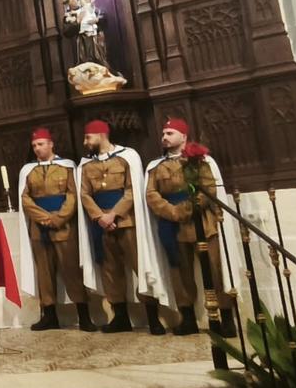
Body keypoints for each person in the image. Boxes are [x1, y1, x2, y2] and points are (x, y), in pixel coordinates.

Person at [143, 118, 238, 337]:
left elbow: (207, 188)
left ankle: (225, 317)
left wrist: (184, 211)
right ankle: (187, 318)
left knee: (214, 269)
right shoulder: (156, 166)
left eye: (170, 133)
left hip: (201, 223)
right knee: (179, 272)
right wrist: (172, 212)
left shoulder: (200, 160)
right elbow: (151, 193)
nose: (164, 137)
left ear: (183, 136)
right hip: (172, 227)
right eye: (163, 133)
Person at [76, 120, 170, 335]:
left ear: (101, 134)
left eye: (88, 137)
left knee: (140, 264)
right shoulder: (86, 166)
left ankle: (153, 317)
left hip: (127, 221)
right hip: (101, 225)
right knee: (110, 271)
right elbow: (85, 194)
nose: (85, 142)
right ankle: (120, 317)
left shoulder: (128, 156)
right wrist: (100, 217)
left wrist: (113, 214)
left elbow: (132, 190)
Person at [18, 127, 96, 332]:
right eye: (34, 145)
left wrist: (58, 218)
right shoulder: (29, 171)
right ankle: (50, 315)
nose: (37, 148)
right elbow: (25, 198)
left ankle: (84, 315)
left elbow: (73, 194)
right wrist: (44, 218)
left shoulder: (67, 167)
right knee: (44, 273)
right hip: (39, 229)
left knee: (71, 270)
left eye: (41, 144)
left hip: (64, 227)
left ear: (51, 144)